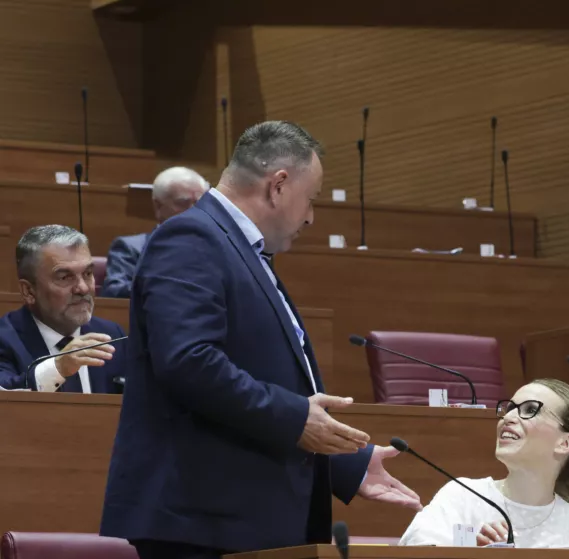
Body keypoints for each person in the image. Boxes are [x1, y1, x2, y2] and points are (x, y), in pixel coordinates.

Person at [99, 121, 421, 558]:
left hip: (234, 518)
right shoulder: (191, 237)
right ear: (278, 186)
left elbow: (259, 375)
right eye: (310, 200)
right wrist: (296, 419)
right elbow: (189, 361)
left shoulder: (238, 247)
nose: (310, 216)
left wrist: (345, 464)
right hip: (201, 521)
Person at [399, 379, 569, 548]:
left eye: (531, 410)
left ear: (565, 442)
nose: (509, 417)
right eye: (510, 408)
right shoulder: (463, 497)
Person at [0, 225, 126, 393]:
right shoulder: (5, 340)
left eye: (88, 274)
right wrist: (57, 367)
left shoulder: (111, 335)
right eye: (65, 277)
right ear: (29, 291)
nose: (82, 288)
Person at [101, 166, 209, 299]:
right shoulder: (131, 248)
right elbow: (114, 290)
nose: (194, 211)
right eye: (183, 203)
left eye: (199, 203)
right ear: (158, 206)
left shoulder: (214, 247)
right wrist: (167, 286)